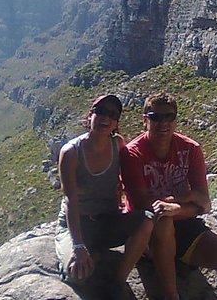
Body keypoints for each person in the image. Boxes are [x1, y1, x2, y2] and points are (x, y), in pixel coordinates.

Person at [120, 93, 217, 300]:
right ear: (145, 119)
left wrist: (177, 206)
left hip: (183, 224)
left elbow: (204, 203)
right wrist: (187, 201)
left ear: (176, 120)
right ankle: (171, 295)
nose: (163, 123)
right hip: (144, 231)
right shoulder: (132, 154)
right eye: (155, 117)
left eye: (169, 117)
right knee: (163, 221)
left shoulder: (190, 149)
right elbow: (144, 205)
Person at [55, 94, 154, 291]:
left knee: (146, 220)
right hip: (79, 224)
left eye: (112, 114)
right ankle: (86, 253)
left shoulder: (117, 145)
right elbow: (70, 200)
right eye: (100, 112)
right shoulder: (71, 152)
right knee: (78, 274)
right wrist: (78, 246)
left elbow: (124, 184)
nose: (105, 118)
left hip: (107, 221)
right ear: (91, 115)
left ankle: (118, 281)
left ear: (116, 122)